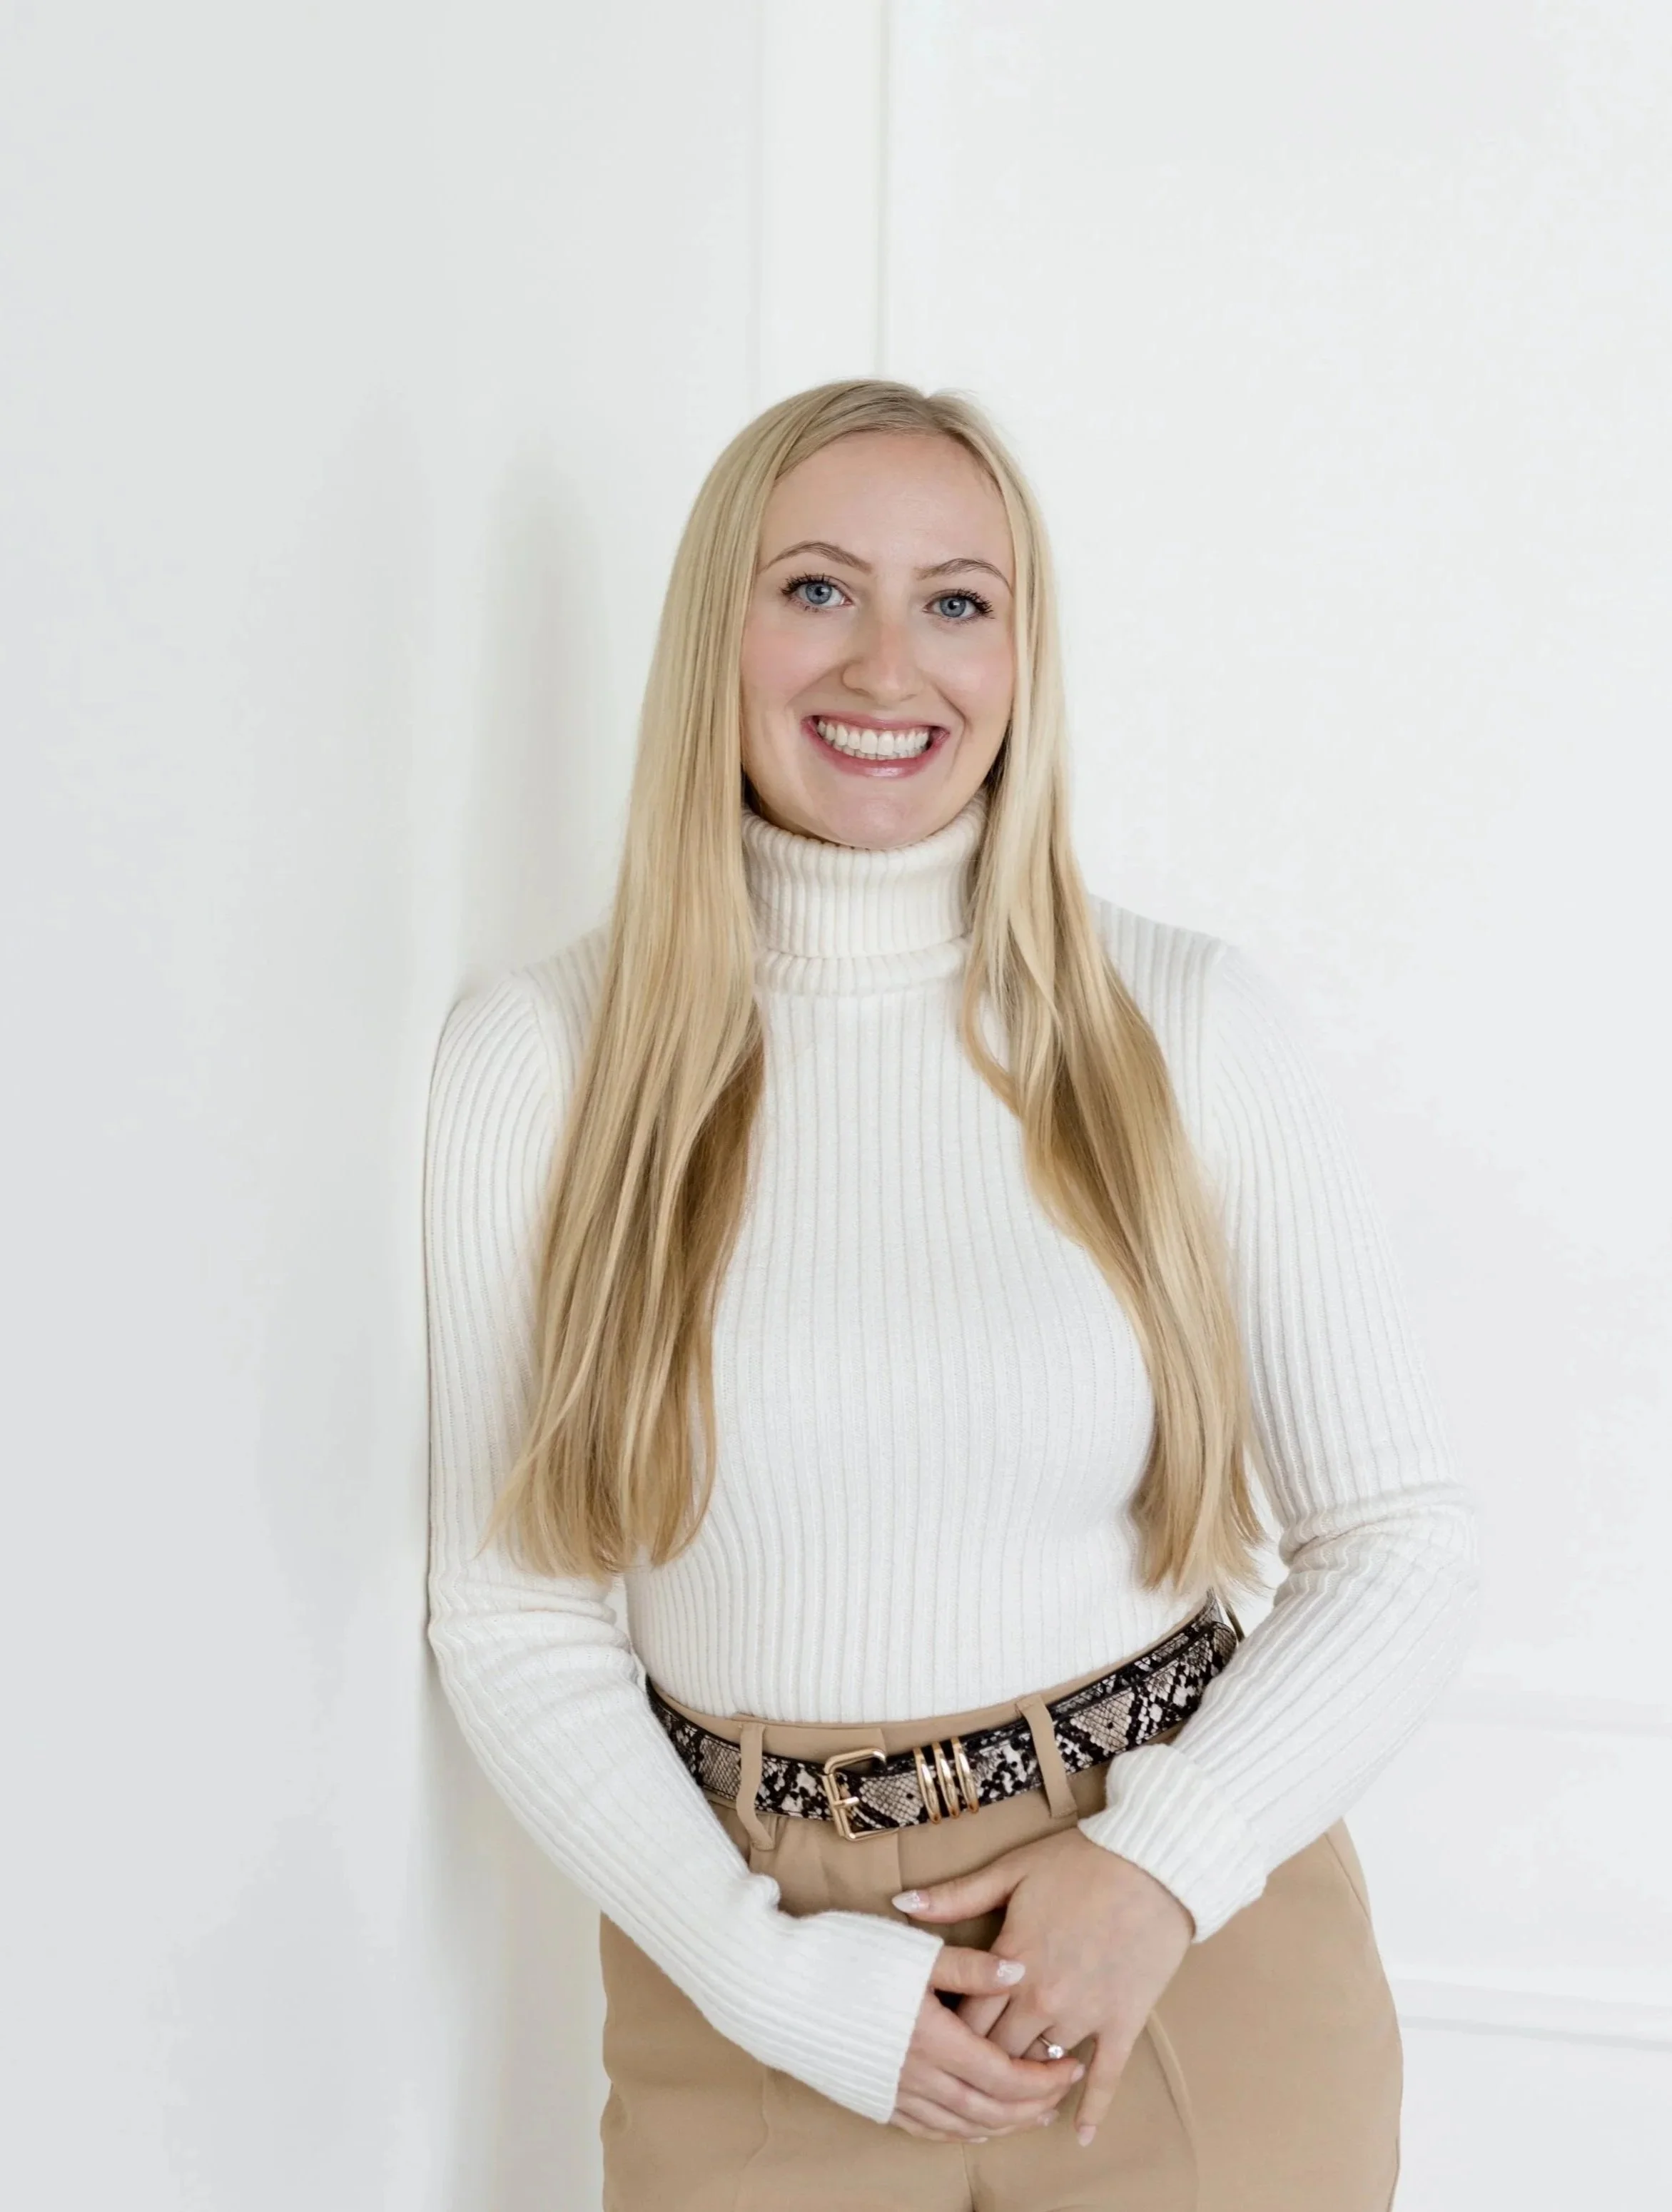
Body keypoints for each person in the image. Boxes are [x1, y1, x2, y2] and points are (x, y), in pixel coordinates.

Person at [423, 378, 1479, 2211]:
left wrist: (1160, 1868)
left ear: (1025, 655)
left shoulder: (1186, 1022)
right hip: (742, 1956)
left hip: (1177, 1935)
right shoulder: (548, 1057)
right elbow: (514, 1618)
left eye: (959, 601)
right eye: (817, 589)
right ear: (716, 637)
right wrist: (777, 1982)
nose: (889, 665)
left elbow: (1402, 1534)